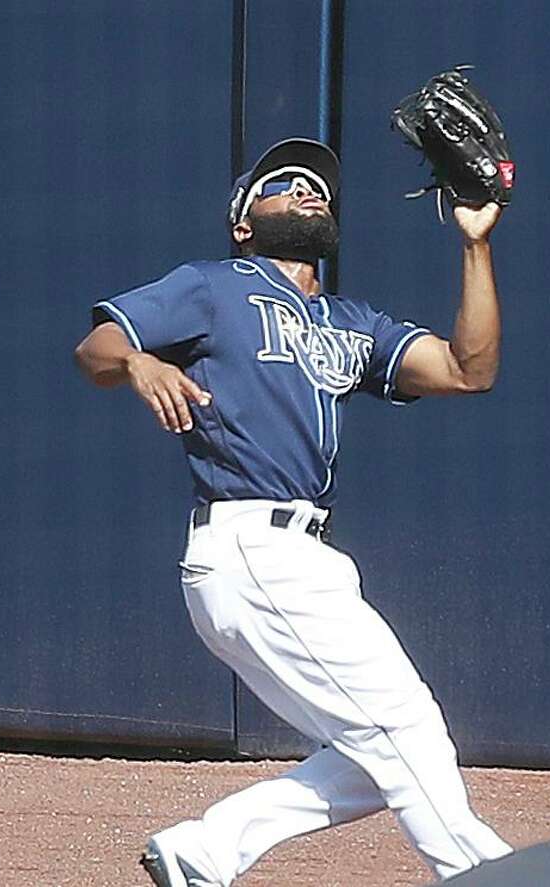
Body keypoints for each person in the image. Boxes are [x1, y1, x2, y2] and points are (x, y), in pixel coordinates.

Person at [73, 137, 512, 887]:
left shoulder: (351, 321)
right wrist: (141, 360)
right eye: (286, 184)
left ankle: (204, 849)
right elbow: (96, 346)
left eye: (319, 186)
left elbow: (468, 370)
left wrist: (475, 245)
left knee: (377, 753)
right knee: (403, 724)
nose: (310, 190)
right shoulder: (216, 285)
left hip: (302, 558)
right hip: (251, 544)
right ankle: (493, 874)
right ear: (244, 222)